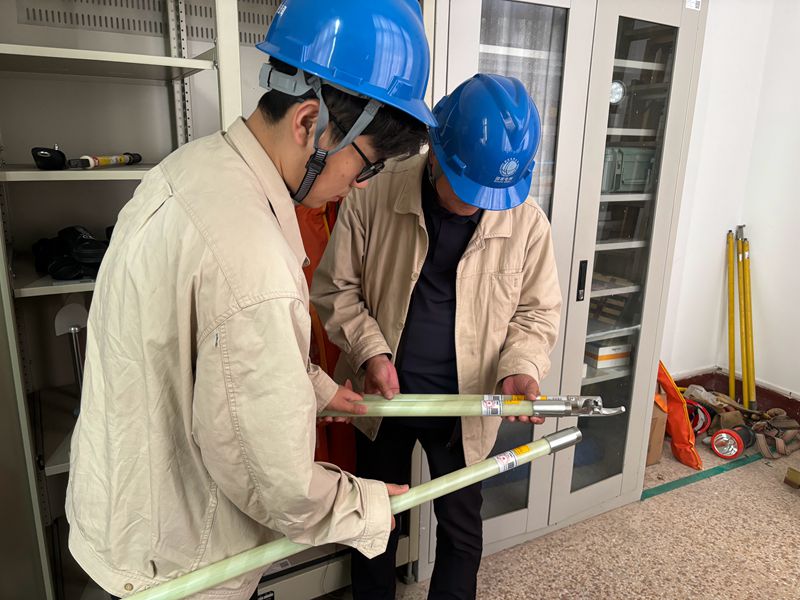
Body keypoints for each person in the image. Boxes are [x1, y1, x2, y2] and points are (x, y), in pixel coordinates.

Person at [64, 1, 435, 598]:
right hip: (178, 563)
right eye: (364, 166)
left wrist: (316, 388)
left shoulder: (191, 168)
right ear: (310, 122)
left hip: (129, 518)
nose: (355, 186)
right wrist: (364, 506)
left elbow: (212, 353)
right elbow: (275, 479)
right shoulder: (253, 255)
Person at [312, 74, 562, 599]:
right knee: (374, 523)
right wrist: (371, 353)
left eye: (493, 194)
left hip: (465, 403)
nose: (481, 204)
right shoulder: (374, 191)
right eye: (469, 189)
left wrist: (521, 367)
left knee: (462, 530)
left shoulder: (526, 222)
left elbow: (536, 313)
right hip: (384, 397)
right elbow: (336, 289)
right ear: (435, 153)